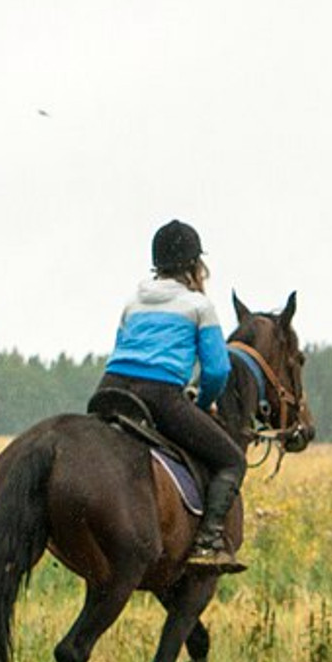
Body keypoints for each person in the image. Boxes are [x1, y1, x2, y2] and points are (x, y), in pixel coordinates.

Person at [95, 220, 246, 571]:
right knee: (231, 460)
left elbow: (120, 349)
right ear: (195, 265)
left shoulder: (133, 303)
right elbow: (217, 371)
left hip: (110, 389)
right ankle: (208, 542)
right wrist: (200, 399)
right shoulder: (198, 306)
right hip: (160, 397)